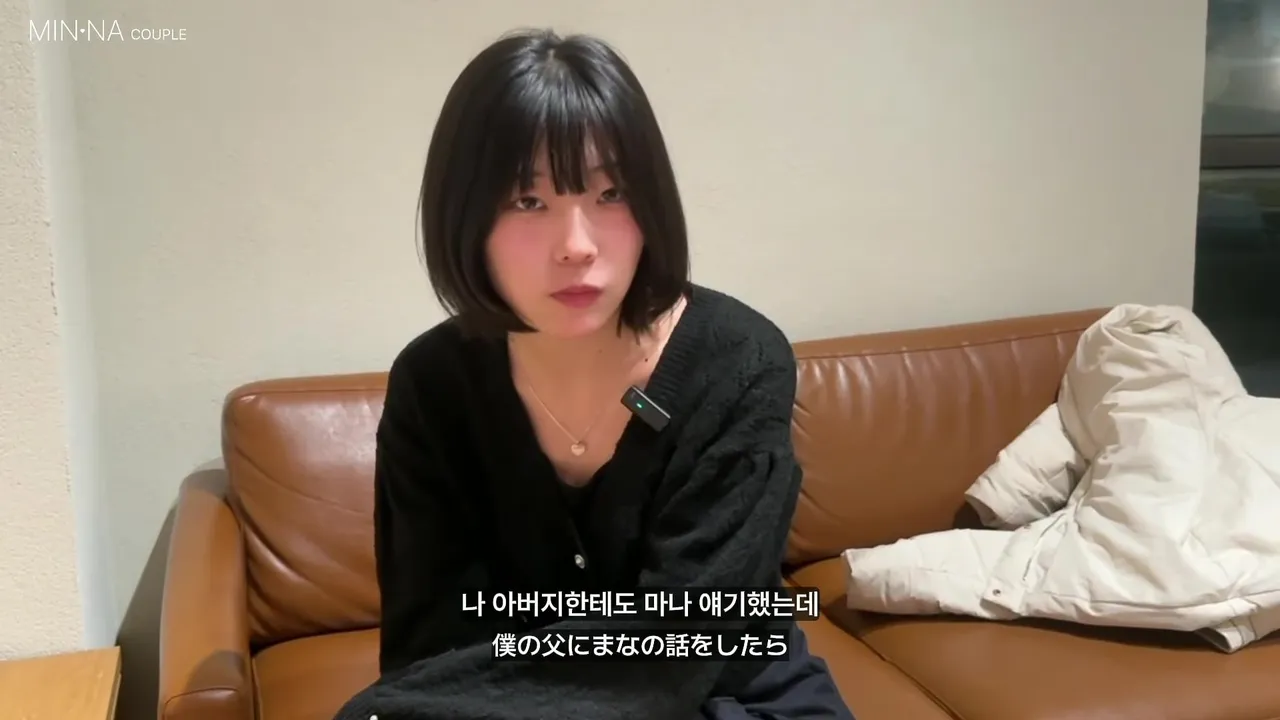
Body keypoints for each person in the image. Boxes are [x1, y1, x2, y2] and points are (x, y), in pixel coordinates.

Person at [334, 27, 857, 720]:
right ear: (465, 218)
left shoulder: (740, 361)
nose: (577, 246)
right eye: (528, 201)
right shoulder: (434, 386)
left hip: (732, 691)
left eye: (611, 194)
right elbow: (429, 640)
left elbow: (684, 643)